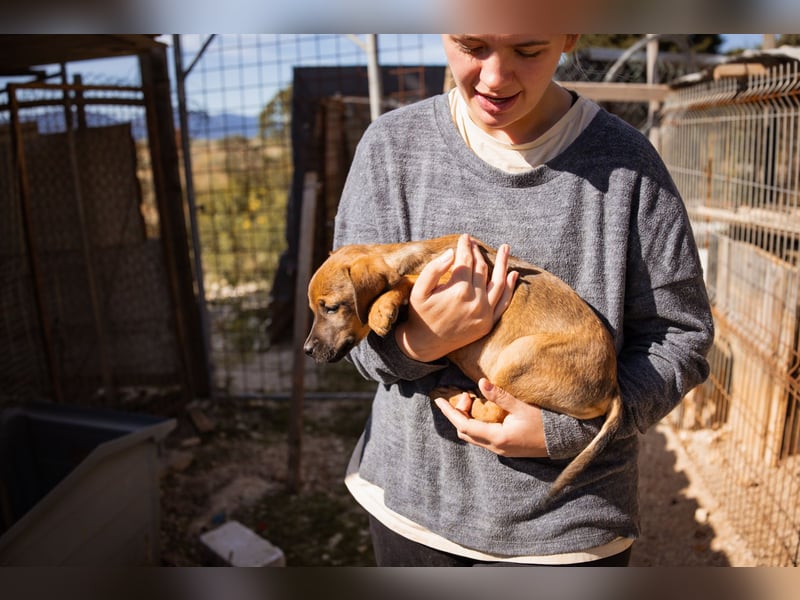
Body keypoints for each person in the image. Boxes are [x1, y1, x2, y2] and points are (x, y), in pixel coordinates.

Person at [332, 34, 714, 566]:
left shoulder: (629, 167)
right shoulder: (392, 149)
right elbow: (350, 336)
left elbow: (681, 338)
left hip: (568, 530)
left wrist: (565, 430)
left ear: (570, 35)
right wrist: (418, 343)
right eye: (471, 45)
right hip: (412, 513)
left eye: (529, 51)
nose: (493, 77)